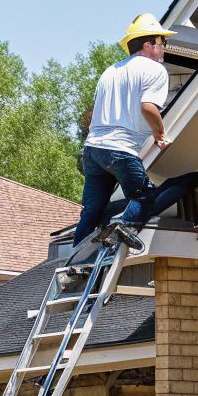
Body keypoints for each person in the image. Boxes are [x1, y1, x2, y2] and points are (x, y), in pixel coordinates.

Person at [73, 14, 185, 252]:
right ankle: (119, 228)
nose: (164, 47)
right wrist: (159, 134)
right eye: (161, 42)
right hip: (120, 150)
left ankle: (77, 257)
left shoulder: (110, 72)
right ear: (148, 45)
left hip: (93, 150)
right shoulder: (154, 69)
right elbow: (148, 107)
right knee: (146, 198)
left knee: (91, 210)